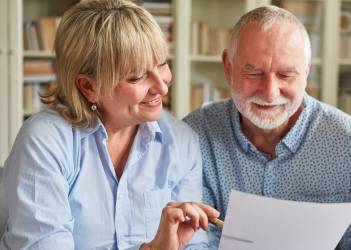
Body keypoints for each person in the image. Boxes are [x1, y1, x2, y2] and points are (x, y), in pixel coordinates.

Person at [0, 0, 219, 249]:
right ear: (89, 87)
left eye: (162, 64)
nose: (162, 86)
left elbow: (194, 244)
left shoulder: (181, 140)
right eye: (136, 76)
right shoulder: (45, 139)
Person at [183, 5, 351, 249]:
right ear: (228, 67)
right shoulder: (194, 135)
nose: (270, 93)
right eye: (254, 72)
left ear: (306, 72)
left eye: (286, 75)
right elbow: (193, 239)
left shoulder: (350, 143)